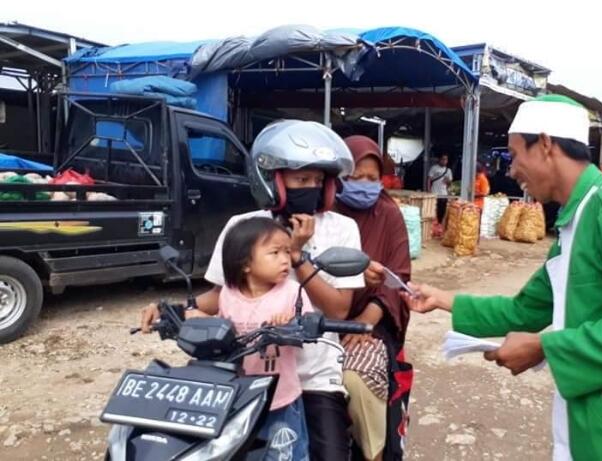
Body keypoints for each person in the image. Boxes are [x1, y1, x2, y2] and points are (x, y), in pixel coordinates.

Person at [403, 94, 602, 460]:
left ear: (547, 144)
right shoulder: (575, 221)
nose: (511, 168)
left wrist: (544, 347)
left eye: (516, 153)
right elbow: (525, 311)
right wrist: (442, 298)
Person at [141, 120, 363, 461]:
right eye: (301, 179)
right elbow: (221, 296)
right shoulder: (242, 228)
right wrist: (176, 308)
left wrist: (297, 255)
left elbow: (337, 311)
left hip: (313, 376)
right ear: (273, 180)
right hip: (243, 370)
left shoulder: (342, 229)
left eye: (319, 181)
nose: (312, 188)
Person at [188, 217, 311, 460]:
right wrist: (197, 317)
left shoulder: (292, 292)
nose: (285, 259)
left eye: (287, 251)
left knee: (284, 453)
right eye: (275, 252)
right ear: (245, 263)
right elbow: (223, 330)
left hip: (279, 400)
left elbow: (306, 326)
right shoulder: (228, 294)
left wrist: (290, 322)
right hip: (237, 396)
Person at [337, 135, 413, 461]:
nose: (364, 185)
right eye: (355, 178)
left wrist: (366, 320)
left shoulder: (388, 214)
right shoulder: (324, 213)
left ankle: (375, 453)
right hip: (320, 318)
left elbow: (398, 277)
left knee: (357, 382)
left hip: (372, 321)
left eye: (372, 178)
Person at [428, 154, 453, 223]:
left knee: (442, 209)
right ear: (440, 160)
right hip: (434, 192)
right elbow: (429, 179)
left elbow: (450, 183)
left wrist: (447, 181)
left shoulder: (448, 171)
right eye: (443, 159)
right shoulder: (434, 168)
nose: (444, 161)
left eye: (446, 159)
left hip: (444, 193)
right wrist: (428, 190)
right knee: (435, 209)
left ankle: (440, 223)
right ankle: (435, 224)